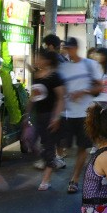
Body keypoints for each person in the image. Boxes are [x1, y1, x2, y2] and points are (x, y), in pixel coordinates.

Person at [58, 37, 103, 194]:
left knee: (82, 147)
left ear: (76, 48)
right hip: (66, 114)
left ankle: (75, 179)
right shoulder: (63, 68)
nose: (68, 51)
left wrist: (83, 91)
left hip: (84, 113)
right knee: (63, 146)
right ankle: (59, 166)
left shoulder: (90, 65)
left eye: (70, 48)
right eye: (66, 48)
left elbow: (99, 87)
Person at [29, 48, 67, 190]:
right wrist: (27, 113)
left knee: (49, 146)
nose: (36, 60)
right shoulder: (36, 75)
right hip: (39, 116)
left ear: (46, 60)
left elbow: (61, 98)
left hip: (51, 116)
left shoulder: (55, 76)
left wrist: (56, 117)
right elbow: (33, 96)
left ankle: (46, 179)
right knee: (36, 144)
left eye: (38, 57)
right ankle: (50, 161)